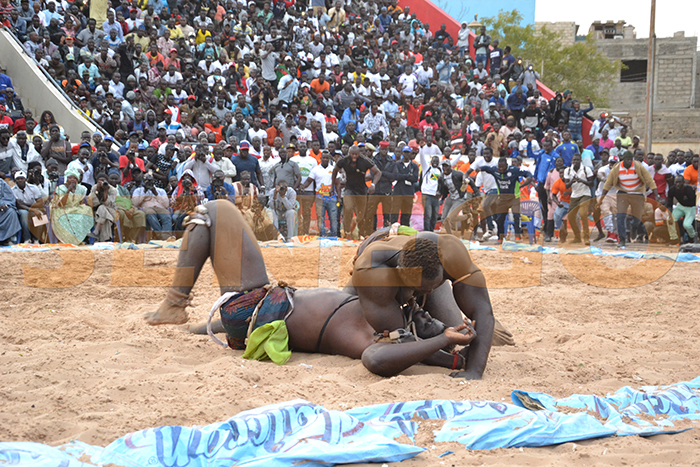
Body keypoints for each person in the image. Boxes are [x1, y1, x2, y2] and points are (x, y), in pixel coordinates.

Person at [146, 199, 478, 377]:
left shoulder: (370, 331)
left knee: (214, 211)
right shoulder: (377, 301)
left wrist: (444, 343)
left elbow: (377, 360)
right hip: (269, 305)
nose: (425, 314)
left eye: (427, 323)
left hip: (253, 306)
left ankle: (175, 303)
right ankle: (201, 327)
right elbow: (375, 246)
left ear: (414, 336)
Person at [597, 150, 658, 247]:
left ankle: (634, 227)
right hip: (623, 193)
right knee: (620, 216)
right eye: (627, 159)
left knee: (637, 218)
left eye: (631, 159)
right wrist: (602, 197)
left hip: (637, 193)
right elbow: (608, 182)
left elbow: (649, 179)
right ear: (623, 160)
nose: (629, 161)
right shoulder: (617, 168)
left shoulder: (638, 166)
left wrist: (656, 193)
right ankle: (622, 239)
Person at [477, 157, 533, 242]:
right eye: (499, 167)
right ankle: (500, 237)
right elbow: (486, 168)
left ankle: (518, 236)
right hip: (502, 199)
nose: (501, 169)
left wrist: (526, 181)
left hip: (514, 198)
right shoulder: (495, 170)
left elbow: (528, 174)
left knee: (516, 215)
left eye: (503, 167)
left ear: (506, 165)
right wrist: (479, 168)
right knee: (500, 218)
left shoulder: (514, 170)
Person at [331, 145, 381, 238]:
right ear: (349, 154)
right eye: (352, 154)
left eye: (356, 154)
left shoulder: (364, 161)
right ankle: (347, 232)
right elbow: (334, 171)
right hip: (349, 189)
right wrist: (332, 186)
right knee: (348, 208)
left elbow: (378, 172)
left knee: (361, 214)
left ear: (359, 154)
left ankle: (356, 225)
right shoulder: (343, 160)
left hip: (361, 190)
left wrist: (373, 185)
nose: (354, 157)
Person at [50, 167, 94, 244]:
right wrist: (68, 191)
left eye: (74, 178)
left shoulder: (81, 189)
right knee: (66, 217)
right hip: (63, 208)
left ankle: (80, 239)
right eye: (70, 178)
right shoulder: (61, 188)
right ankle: (67, 240)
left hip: (75, 207)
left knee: (85, 211)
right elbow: (61, 204)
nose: (72, 180)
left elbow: (81, 202)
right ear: (66, 179)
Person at [303, 150, 337, 237]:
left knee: (333, 218)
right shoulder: (315, 170)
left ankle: (334, 235)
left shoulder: (333, 169)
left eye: (327, 158)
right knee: (320, 218)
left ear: (329, 159)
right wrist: (302, 187)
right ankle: (322, 234)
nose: (325, 159)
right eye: (323, 158)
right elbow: (308, 181)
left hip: (332, 197)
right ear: (320, 159)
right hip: (319, 197)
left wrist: (339, 196)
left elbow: (338, 182)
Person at [563, 154, 594, 244]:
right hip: (574, 195)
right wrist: (572, 181)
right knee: (571, 216)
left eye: (577, 160)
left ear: (580, 160)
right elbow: (566, 185)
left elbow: (591, 184)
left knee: (583, 214)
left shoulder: (586, 169)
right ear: (572, 161)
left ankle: (586, 237)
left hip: (585, 194)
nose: (575, 162)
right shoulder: (568, 170)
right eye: (574, 160)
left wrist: (582, 180)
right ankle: (577, 236)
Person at [132, 171, 172, 239]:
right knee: (150, 214)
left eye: (150, 180)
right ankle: (161, 236)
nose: (148, 182)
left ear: (153, 181)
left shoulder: (160, 190)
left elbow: (166, 205)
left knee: (167, 214)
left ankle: (166, 236)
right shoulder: (138, 190)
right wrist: (144, 191)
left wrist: (156, 193)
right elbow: (135, 203)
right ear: (143, 181)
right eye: (146, 180)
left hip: (160, 208)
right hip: (147, 208)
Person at [11, 170, 44, 243]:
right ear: (15, 180)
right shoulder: (13, 190)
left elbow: (40, 203)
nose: (20, 180)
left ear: (25, 179)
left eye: (22, 178)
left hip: (32, 207)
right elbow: (18, 205)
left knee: (40, 214)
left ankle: (36, 239)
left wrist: (26, 205)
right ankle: (27, 238)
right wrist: (32, 209)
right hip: (21, 209)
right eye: (18, 179)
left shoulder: (33, 188)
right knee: (24, 214)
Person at [87, 172, 118, 241]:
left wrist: (105, 190)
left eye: (104, 180)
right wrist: (97, 190)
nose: (102, 182)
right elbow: (92, 202)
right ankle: (105, 240)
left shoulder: (113, 190)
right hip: (99, 212)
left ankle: (96, 232)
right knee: (104, 217)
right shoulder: (94, 187)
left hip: (111, 211)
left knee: (102, 208)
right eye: (100, 180)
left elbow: (108, 203)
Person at [667, 176, 698, 243]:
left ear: (683, 183)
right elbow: (669, 203)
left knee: (687, 225)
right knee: (669, 220)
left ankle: (693, 237)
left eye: (680, 182)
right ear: (674, 183)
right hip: (680, 206)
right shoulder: (672, 190)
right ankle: (674, 238)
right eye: (676, 182)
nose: (678, 184)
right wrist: (669, 214)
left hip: (691, 207)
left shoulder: (689, 190)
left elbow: (695, 201)